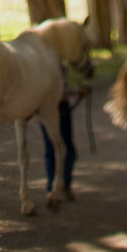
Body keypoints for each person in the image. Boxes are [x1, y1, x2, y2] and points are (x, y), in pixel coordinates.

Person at [40, 53, 92, 201]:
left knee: (51, 148)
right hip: (59, 109)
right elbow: (60, 91)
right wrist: (78, 91)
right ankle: (63, 184)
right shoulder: (57, 64)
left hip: (44, 110)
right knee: (66, 149)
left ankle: (53, 186)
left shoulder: (40, 62)